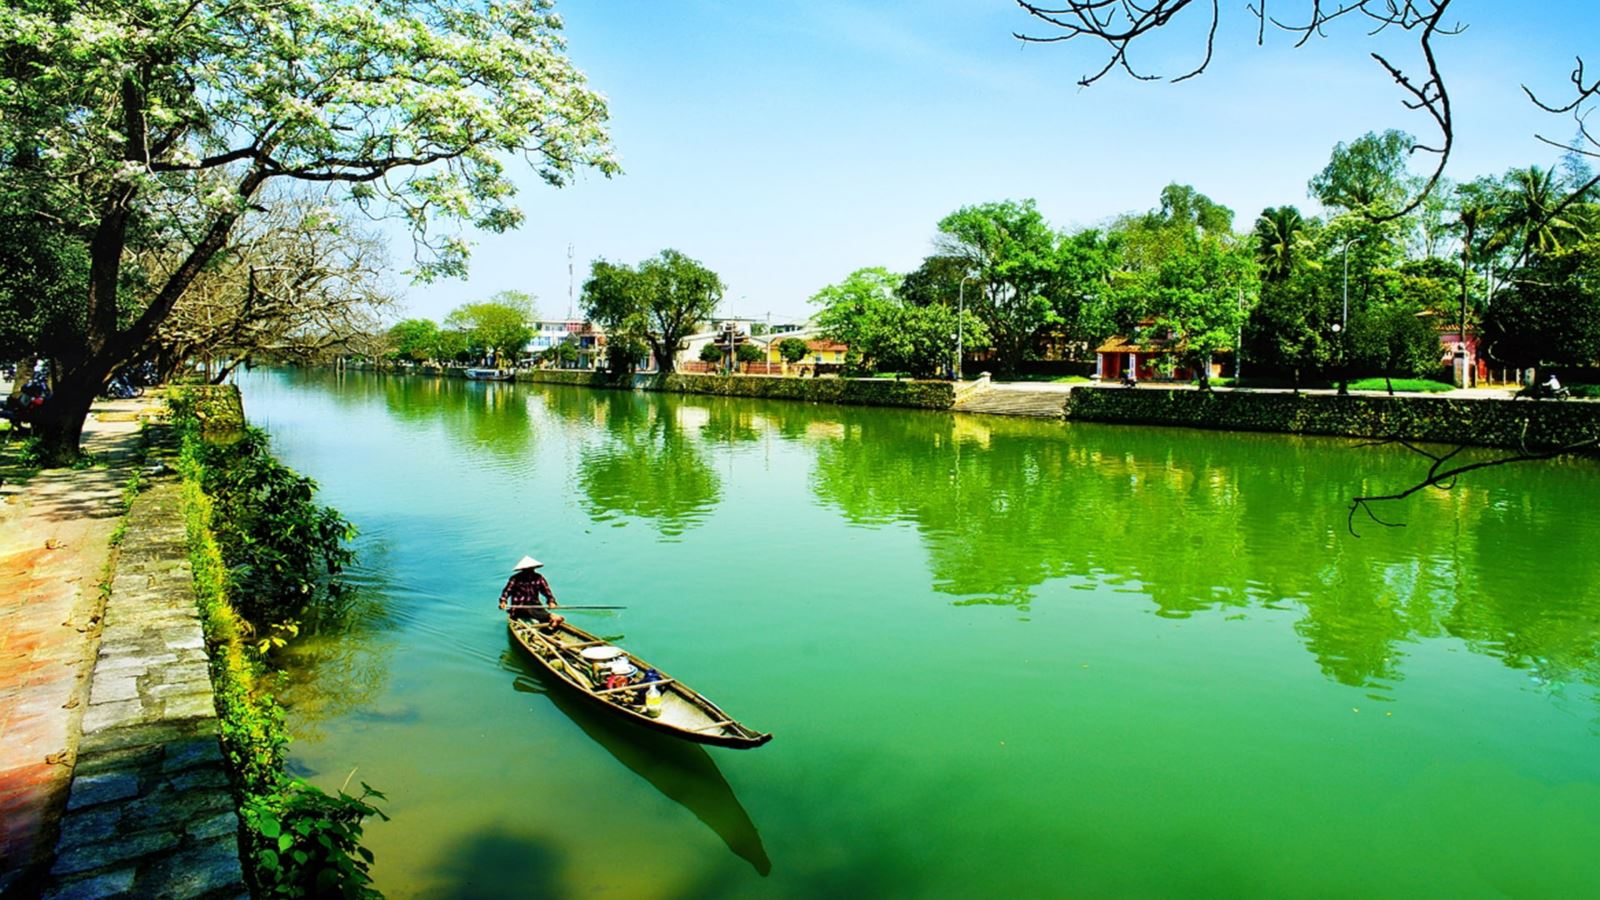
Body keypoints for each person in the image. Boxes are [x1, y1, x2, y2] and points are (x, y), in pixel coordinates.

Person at [499, 556, 563, 629]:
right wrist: (503, 602)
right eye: (527, 569)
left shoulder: (538, 577)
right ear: (523, 569)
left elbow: (546, 591)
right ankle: (551, 617)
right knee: (528, 609)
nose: (529, 570)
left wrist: (551, 602)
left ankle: (550, 618)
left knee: (538, 609)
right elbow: (507, 591)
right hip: (519, 606)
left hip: (535, 605)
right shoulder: (515, 579)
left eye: (530, 568)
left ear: (533, 568)